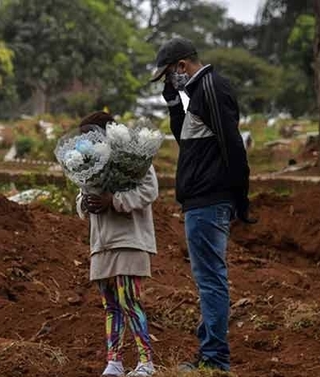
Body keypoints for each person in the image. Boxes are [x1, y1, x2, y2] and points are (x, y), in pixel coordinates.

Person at [150, 38, 254, 372]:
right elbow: (190, 141)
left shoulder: (210, 88)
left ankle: (215, 359)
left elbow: (233, 145)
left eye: (168, 75)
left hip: (209, 201)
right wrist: (173, 105)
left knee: (211, 280)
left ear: (182, 66)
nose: (169, 81)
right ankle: (210, 350)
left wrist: (241, 198)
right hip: (201, 201)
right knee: (208, 278)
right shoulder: (197, 93)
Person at [76, 111, 159, 377]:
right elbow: (81, 197)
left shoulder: (133, 158)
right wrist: (86, 203)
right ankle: (115, 361)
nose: (87, 141)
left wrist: (114, 201)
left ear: (108, 132)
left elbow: (149, 190)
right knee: (110, 304)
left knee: (129, 300)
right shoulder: (89, 163)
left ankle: (146, 362)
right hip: (101, 243)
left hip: (129, 240)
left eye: (92, 134)